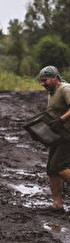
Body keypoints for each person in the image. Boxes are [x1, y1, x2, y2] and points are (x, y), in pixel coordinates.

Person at [37, 66, 70, 212]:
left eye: (45, 80)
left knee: (58, 166)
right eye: (41, 81)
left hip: (68, 135)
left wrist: (62, 120)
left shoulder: (65, 89)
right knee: (51, 169)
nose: (42, 83)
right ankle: (57, 204)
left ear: (55, 78)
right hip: (57, 136)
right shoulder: (51, 93)